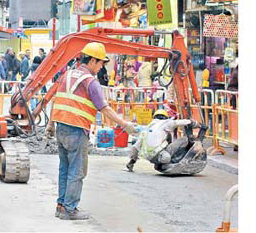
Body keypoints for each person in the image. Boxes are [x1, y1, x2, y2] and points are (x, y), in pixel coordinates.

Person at [45, 42, 137, 220]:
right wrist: (124, 124)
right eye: (101, 62)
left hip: (61, 128)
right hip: (77, 130)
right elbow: (104, 108)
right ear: (93, 60)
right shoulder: (90, 82)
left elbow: (57, 99)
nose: (101, 66)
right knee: (77, 170)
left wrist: (50, 124)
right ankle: (70, 209)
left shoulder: (67, 75)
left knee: (64, 168)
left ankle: (61, 206)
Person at [126, 109, 198, 172]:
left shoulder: (147, 127)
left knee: (167, 137)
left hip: (149, 157)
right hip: (161, 156)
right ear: (165, 117)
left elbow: (136, 147)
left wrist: (132, 161)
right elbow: (177, 122)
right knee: (184, 139)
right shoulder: (165, 123)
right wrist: (192, 122)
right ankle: (166, 164)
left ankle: (160, 164)